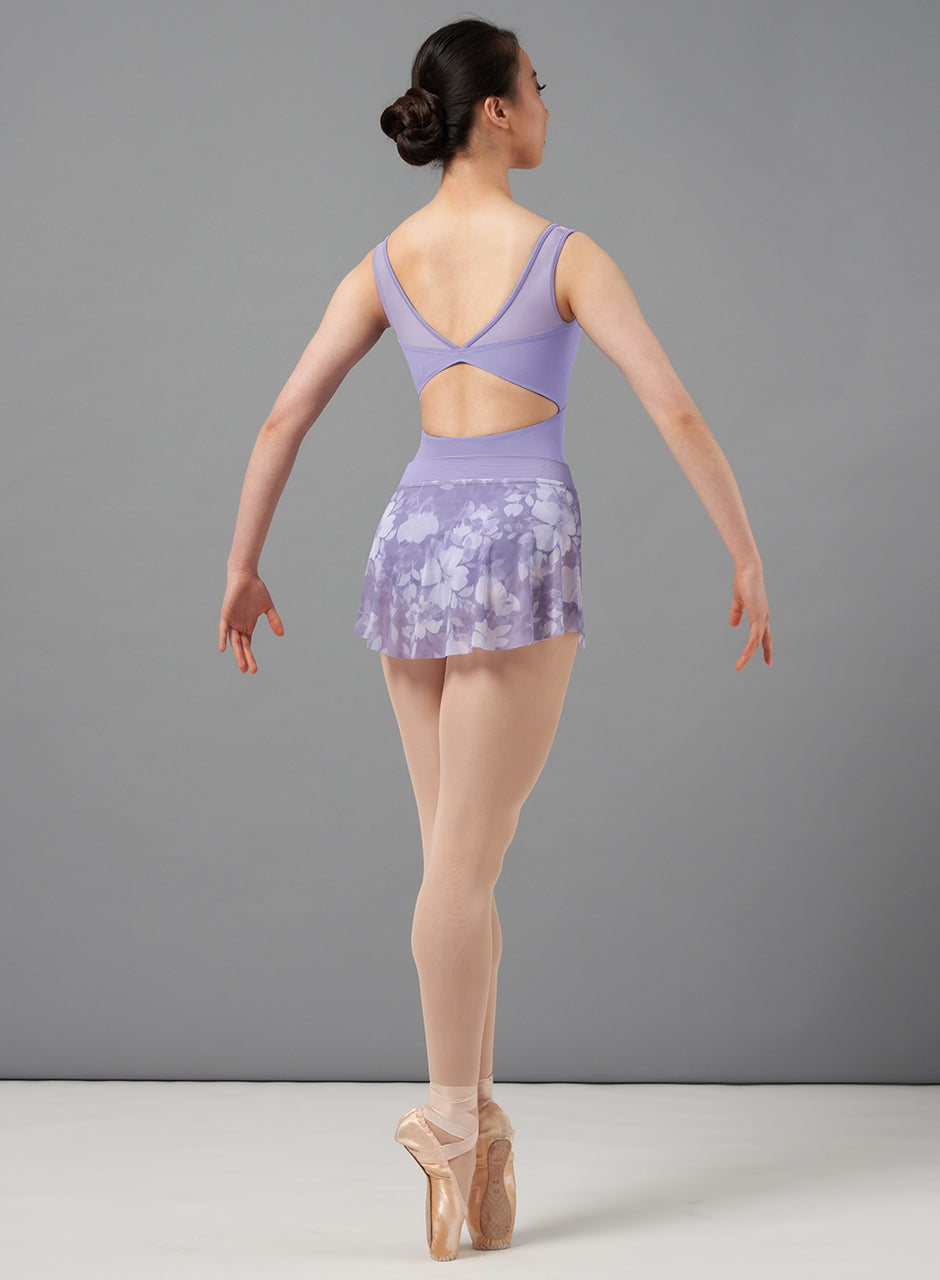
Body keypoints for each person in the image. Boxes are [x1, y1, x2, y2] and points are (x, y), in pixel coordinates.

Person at [217, 17, 773, 1262]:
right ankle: (449, 1121)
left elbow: (281, 415)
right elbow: (672, 403)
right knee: (463, 868)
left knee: (454, 863)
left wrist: (242, 565)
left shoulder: (387, 261)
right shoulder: (563, 252)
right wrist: (745, 548)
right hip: (515, 538)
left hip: (412, 538)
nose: (546, 102)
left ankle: (480, 1124)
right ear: (497, 113)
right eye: (536, 84)